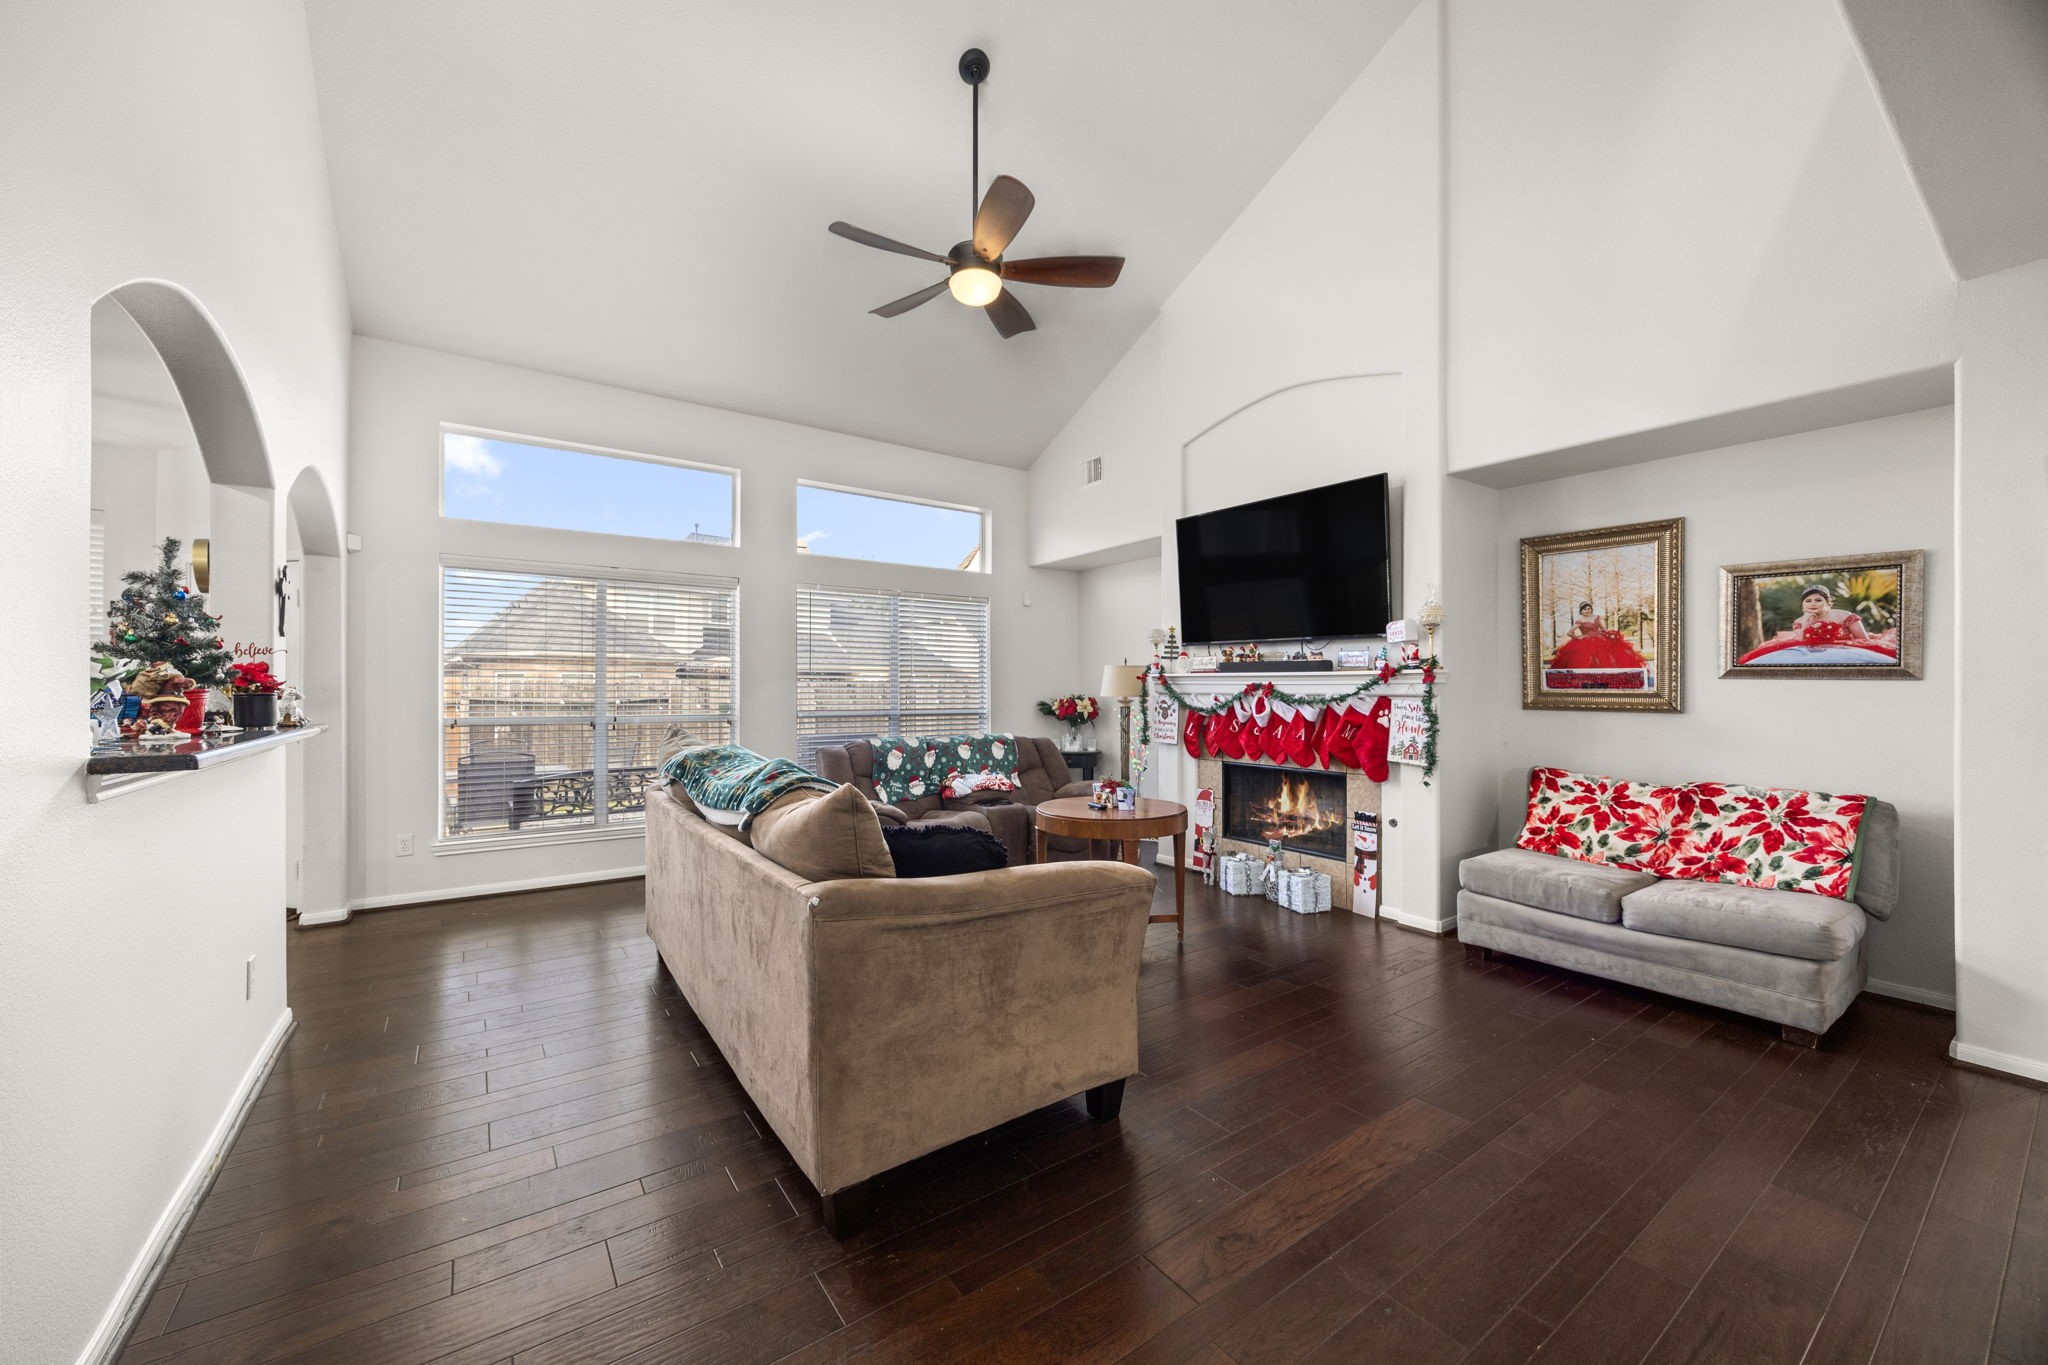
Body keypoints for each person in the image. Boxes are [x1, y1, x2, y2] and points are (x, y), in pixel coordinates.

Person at [1736, 585, 1897, 665]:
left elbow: (1863, 639)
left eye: (1818, 600)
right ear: (1803, 604)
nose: (1813, 603)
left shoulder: (1844, 615)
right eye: (1808, 601)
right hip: (1812, 653)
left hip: (1846, 650)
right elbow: (1803, 641)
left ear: (1828, 602)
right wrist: (1807, 622)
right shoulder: (1800, 621)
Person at [1546, 601, 1649, 672]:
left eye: (1589, 608)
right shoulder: (1580, 620)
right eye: (1585, 609)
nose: (1587, 610)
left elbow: (1603, 629)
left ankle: (1608, 675)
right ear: (1581, 611)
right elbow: (1569, 632)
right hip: (1585, 641)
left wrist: (1611, 635)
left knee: (1607, 657)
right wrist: (1579, 637)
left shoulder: (1596, 617)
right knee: (1587, 659)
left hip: (1600, 638)